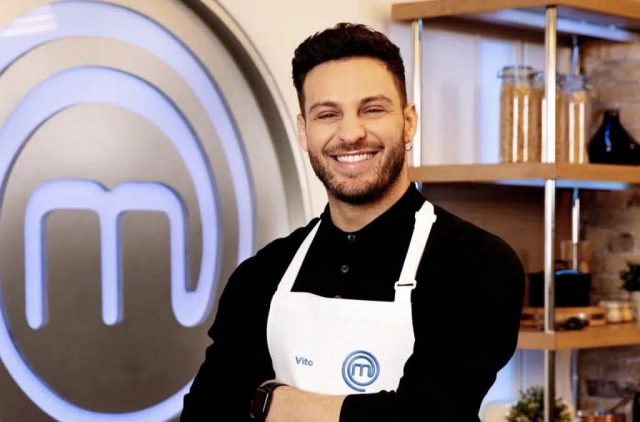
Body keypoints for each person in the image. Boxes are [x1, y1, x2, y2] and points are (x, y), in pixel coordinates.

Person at [181, 23, 524, 422]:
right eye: (328, 114)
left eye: (372, 109)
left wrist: (268, 401)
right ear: (303, 132)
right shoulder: (262, 274)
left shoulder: (476, 264)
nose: (350, 134)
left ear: (408, 121)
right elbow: (206, 412)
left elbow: (427, 417)